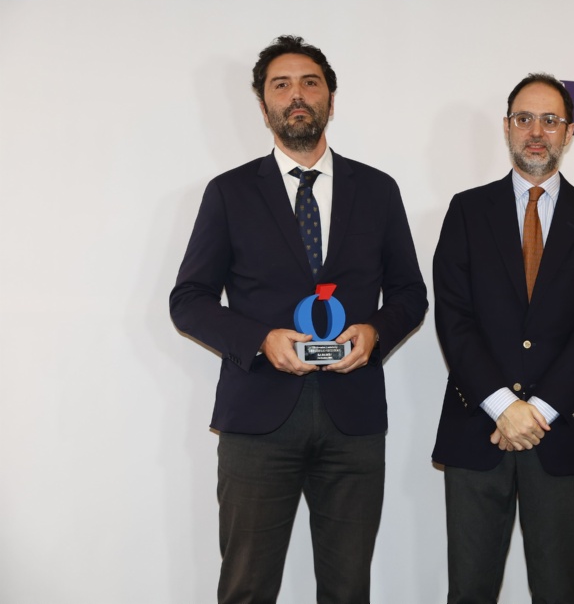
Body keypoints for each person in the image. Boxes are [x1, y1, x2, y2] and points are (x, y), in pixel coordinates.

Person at [169, 35, 428, 604]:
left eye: (310, 83)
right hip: (257, 418)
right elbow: (188, 299)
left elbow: (411, 293)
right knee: (247, 587)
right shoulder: (230, 193)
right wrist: (259, 339)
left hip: (353, 419)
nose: (296, 95)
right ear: (263, 107)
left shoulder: (378, 190)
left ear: (331, 99)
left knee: (347, 589)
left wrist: (376, 332)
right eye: (280, 85)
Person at [431, 73, 574, 604]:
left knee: (558, 589)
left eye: (550, 120)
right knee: (469, 591)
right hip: (477, 426)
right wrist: (502, 406)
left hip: (560, 432)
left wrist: (536, 411)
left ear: (569, 132)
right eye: (524, 119)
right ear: (507, 127)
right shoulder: (467, 210)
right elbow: (454, 318)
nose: (536, 132)